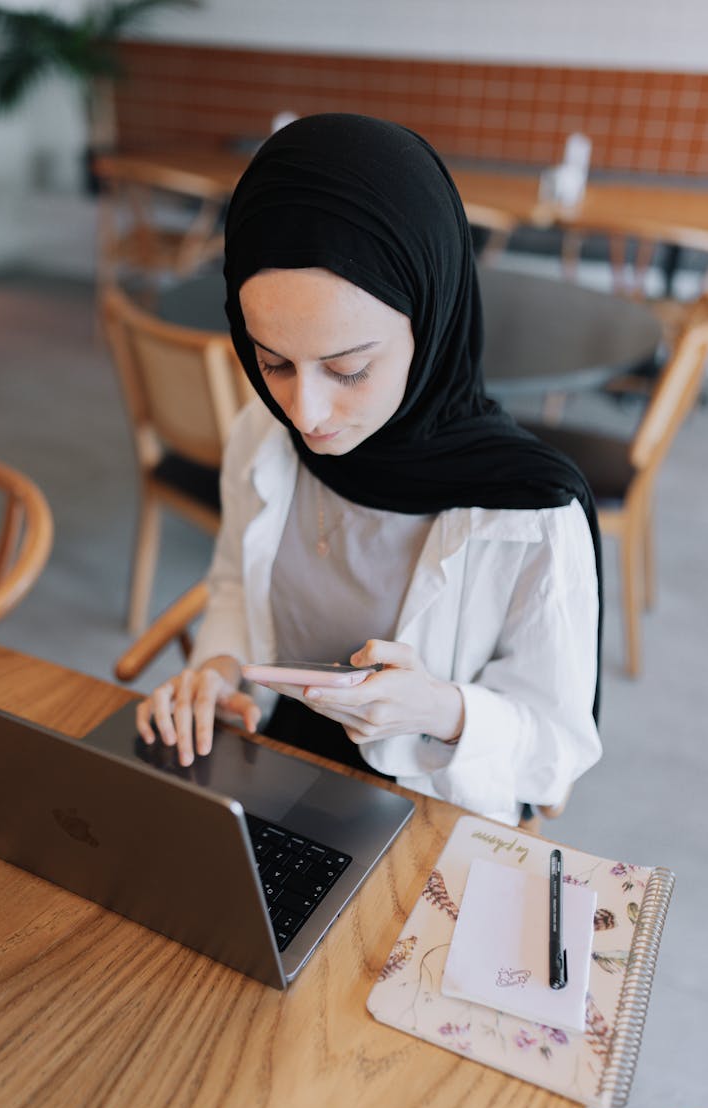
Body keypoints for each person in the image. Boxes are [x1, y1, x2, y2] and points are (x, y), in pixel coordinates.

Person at [137, 113, 602, 827]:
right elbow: (234, 579)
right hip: (279, 773)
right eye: (271, 362)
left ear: (433, 319)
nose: (306, 410)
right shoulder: (264, 435)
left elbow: (556, 756)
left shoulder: (528, 510)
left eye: (348, 369)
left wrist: (441, 709)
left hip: (434, 815)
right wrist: (218, 670)